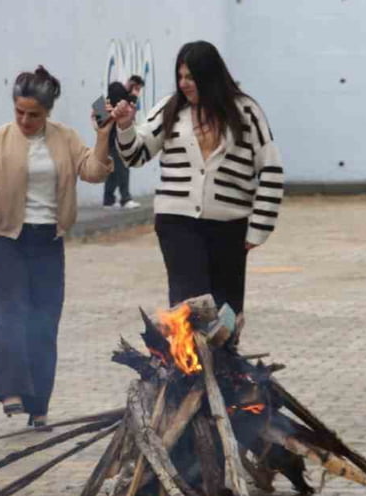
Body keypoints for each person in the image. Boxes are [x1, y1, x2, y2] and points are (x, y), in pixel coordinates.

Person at [0, 66, 113, 428]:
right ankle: (11, 391)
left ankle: (39, 404)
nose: (25, 120)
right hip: (3, 237)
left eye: (34, 115)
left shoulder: (66, 138)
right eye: (19, 112)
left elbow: (94, 171)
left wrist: (103, 136)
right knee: (11, 312)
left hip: (47, 238)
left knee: (44, 321)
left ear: (48, 112)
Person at [111, 40, 283, 315]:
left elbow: (271, 170)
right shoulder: (170, 108)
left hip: (229, 227)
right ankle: (186, 359)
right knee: (190, 313)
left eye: (191, 77)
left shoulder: (246, 112)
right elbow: (135, 155)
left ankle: (224, 359)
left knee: (226, 315)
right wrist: (125, 127)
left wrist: (259, 229)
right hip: (177, 224)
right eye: (180, 76)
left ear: (210, 76)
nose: (183, 84)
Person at [98, 79, 141, 210]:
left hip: (107, 143)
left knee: (112, 173)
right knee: (123, 170)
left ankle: (108, 200)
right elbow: (129, 104)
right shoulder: (113, 106)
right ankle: (125, 198)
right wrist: (133, 94)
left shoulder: (101, 105)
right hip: (117, 142)